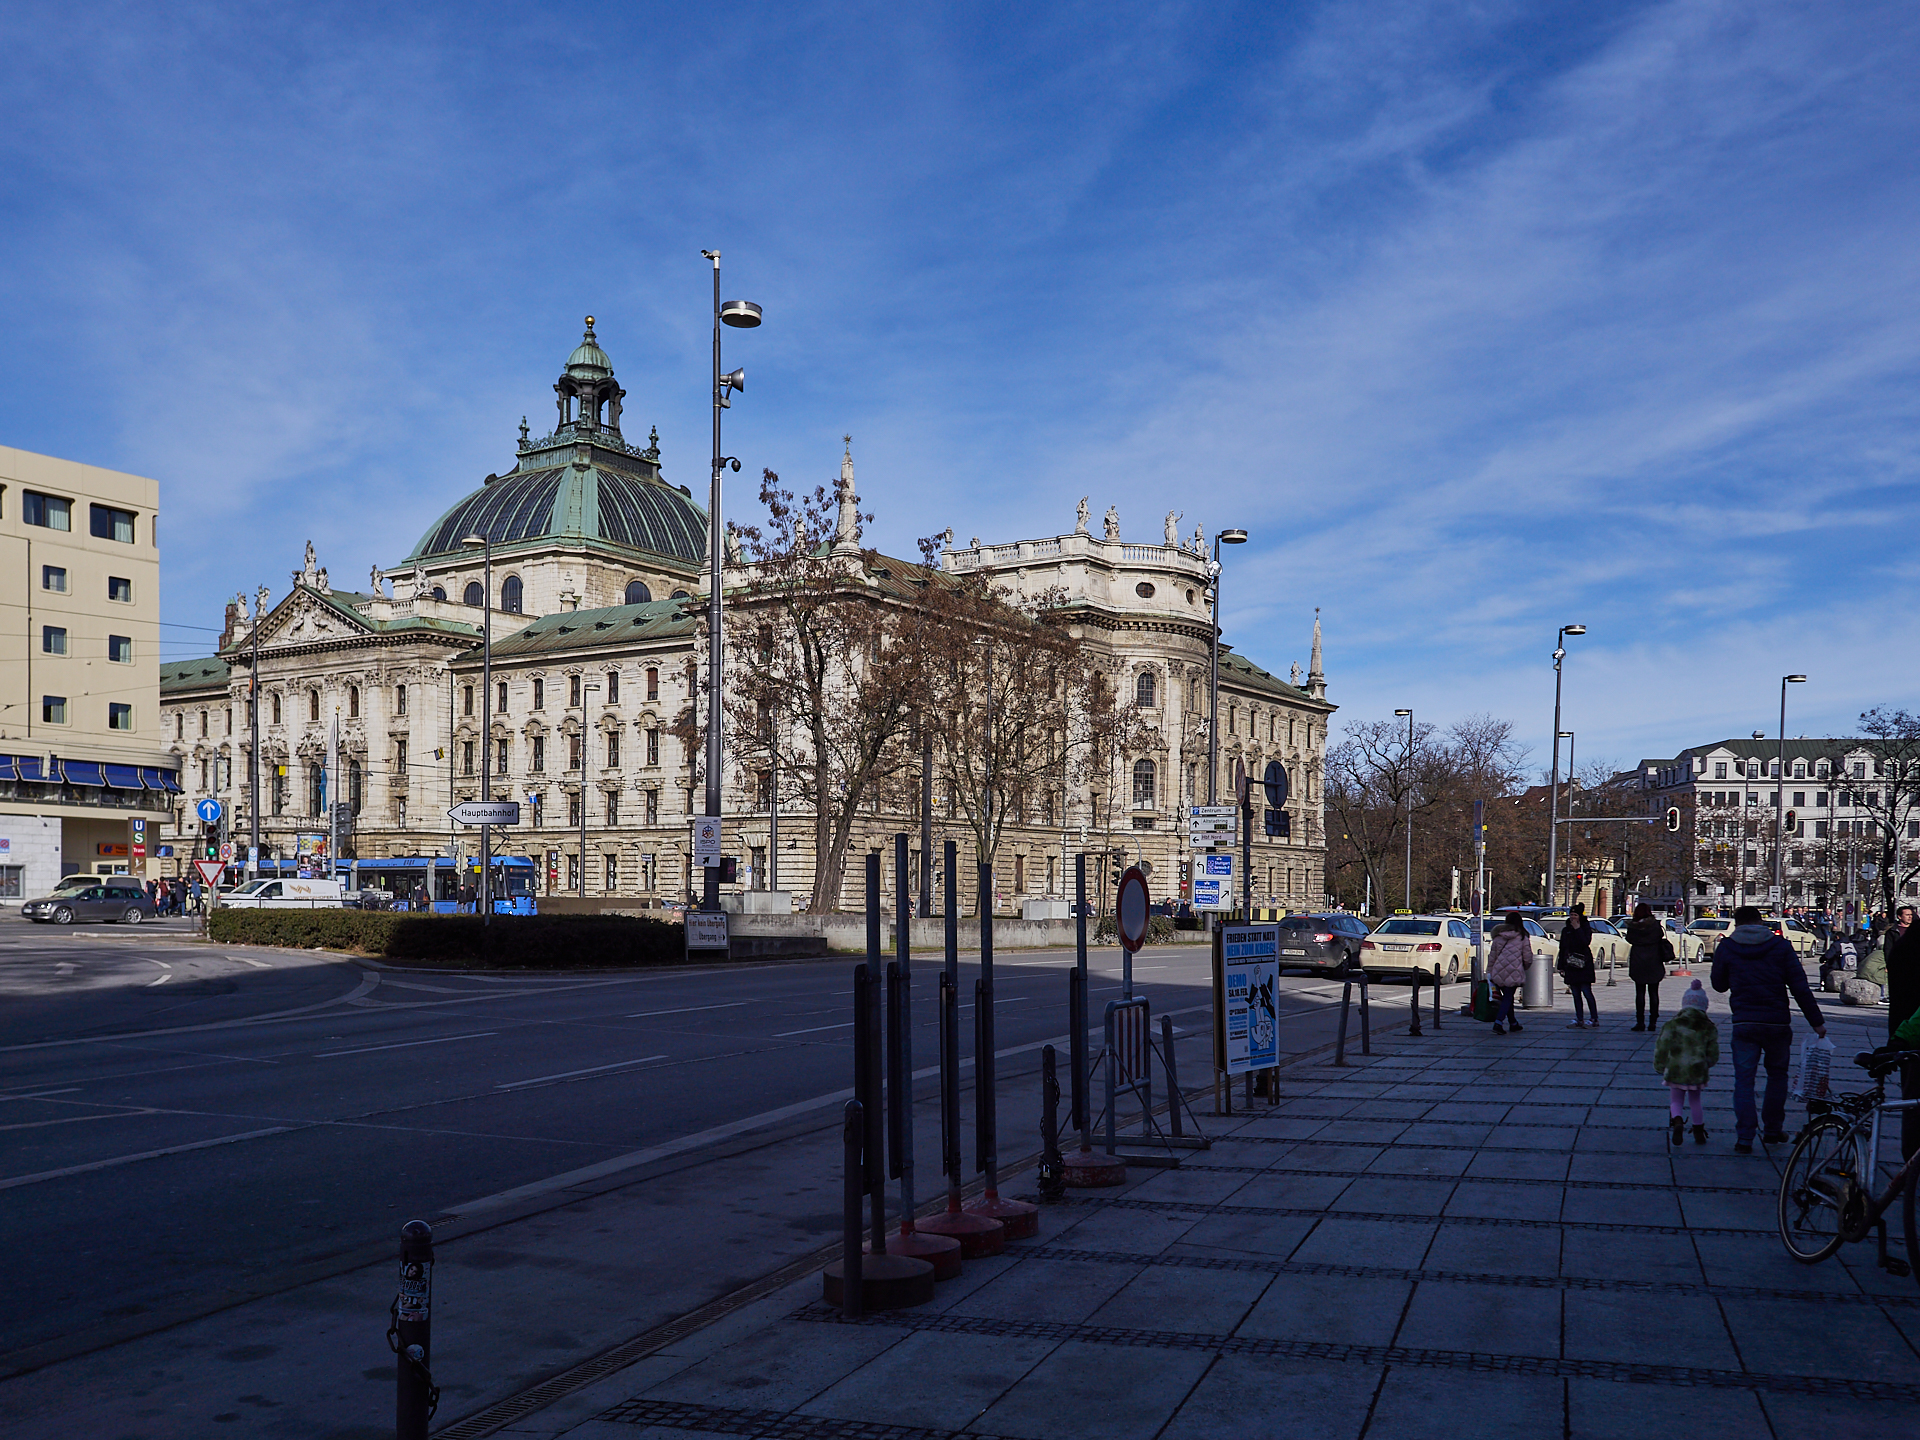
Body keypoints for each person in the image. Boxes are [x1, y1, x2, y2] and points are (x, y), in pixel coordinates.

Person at [1710, 904, 1827, 1153]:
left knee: (1744, 1080)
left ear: (1737, 924)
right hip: (1776, 1023)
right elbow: (1800, 987)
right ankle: (1773, 1130)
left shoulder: (1727, 947)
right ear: (1760, 923)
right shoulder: (1781, 946)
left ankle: (1744, 1138)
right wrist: (1816, 1021)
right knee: (1777, 1076)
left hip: (1744, 1022)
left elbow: (1718, 985)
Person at [1655, 979, 1720, 1146]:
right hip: (1697, 1070)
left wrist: (1660, 1064)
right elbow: (1713, 1053)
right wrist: (1707, 1063)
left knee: (1675, 1100)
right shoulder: (1708, 1027)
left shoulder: (1672, 1024)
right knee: (1695, 1101)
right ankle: (1699, 1132)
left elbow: (1662, 1046)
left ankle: (1677, 1121)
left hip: (1675, 1069)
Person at [1486, 911, 1532, 1035]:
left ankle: (1513, 1023)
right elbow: (1527, 958)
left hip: (1498, 971)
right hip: (1514, 971)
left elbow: (1492, 956)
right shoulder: (1523, 937)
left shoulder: (1498, 937)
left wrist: (1489, 972)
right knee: (1508, 997)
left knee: (1507, 998)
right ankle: (1498, 1022)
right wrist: (1525, 966)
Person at [1625, 902, 1667, 1031]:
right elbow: (1660, 936)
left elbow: (1629, 939)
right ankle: (1653, 1022)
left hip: (1638, 962)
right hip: (1654, 961)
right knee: (1654, 993)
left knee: (1640, 993)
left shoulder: (1633, 927)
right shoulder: (1655, 925)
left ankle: (1640, 1022)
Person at [1557, 904, 1598, 1029]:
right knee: (1575, 993)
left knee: (1586, 992)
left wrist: (1578, 929)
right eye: (1571, 915)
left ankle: (1594, 1017)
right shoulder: (1566, 930)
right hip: (1571, 964)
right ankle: (1579, 1018)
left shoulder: (1585, 928)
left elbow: (1585, 942)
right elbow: (1563, 947)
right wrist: (1561, 965)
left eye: (1575, 915)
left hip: (1583, 964)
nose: (1573, 918)